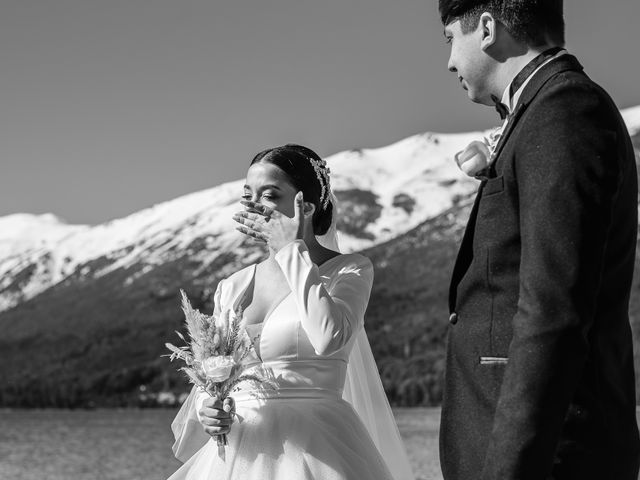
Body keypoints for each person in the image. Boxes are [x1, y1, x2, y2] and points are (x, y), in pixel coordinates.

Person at [439, 1, 640, 479]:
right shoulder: (545, 109)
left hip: (549, 456)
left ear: (487, 27)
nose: (448, 61)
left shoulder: (564, 110)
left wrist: (510, 469)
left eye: (450, 38)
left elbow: (553, 312)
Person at [168, 144, 414, 480]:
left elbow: (330, 337)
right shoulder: (232, 285)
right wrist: (208, 410)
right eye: (247, 195)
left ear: (306, 207)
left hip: (318, 449)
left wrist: (291, 250)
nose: (254, 205)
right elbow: (213, 373)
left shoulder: (350, 270)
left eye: (269, 194)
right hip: (238, 453)